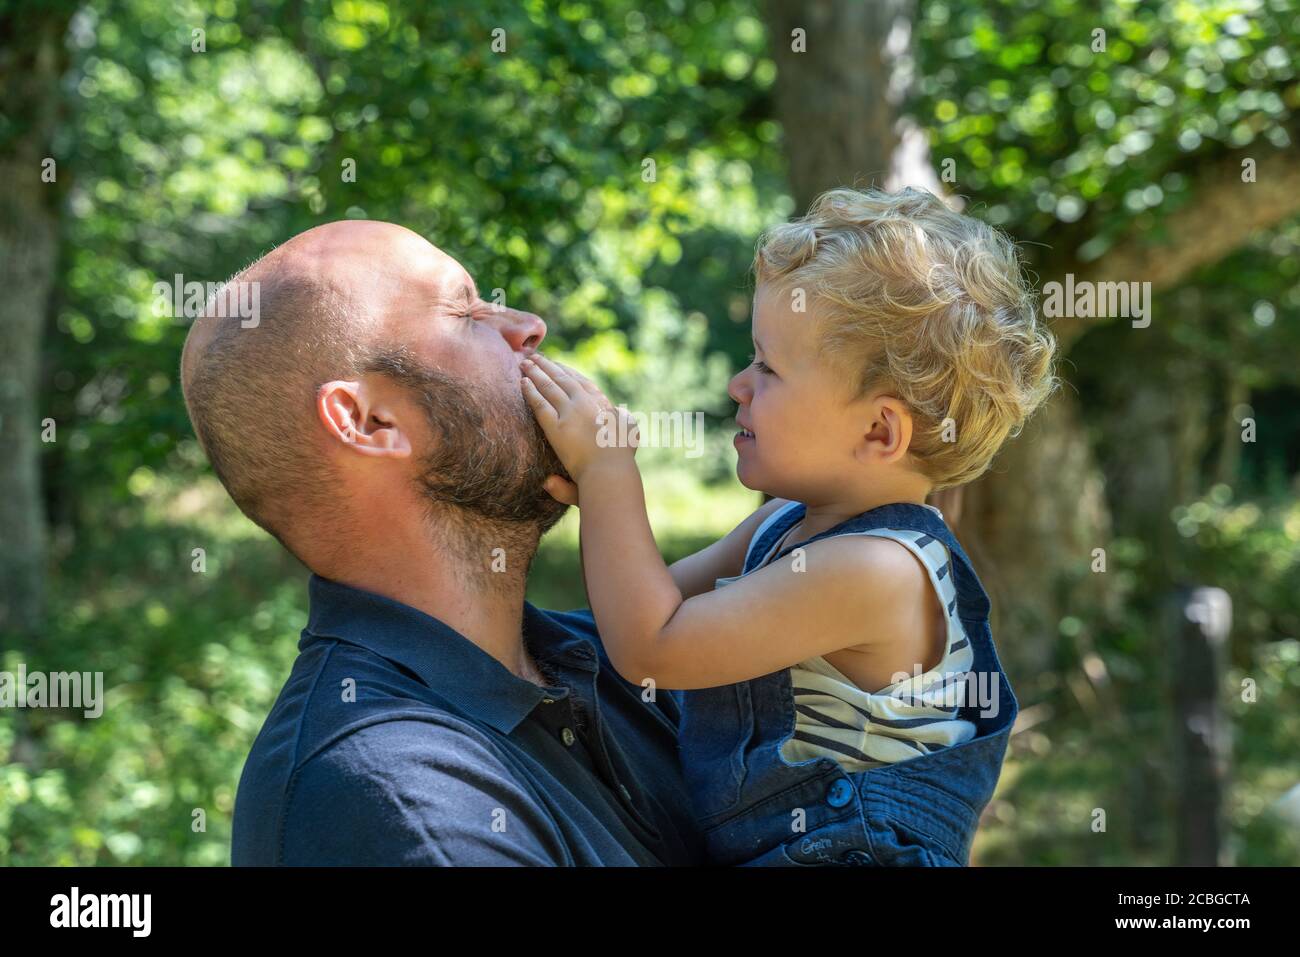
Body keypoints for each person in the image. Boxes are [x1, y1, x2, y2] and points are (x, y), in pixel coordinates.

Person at [520, 186, 1058, 865]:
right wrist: (590, 501)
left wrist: (609, 477)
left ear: (879, 428)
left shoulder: (879, 570)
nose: (738, 385)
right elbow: (635, 609)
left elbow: (654, 648)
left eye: (768, 367)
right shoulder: (783, 524)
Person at [180, 220, 706, 865]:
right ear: (369, 422)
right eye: (465, 309)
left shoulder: (620, 658)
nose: (528, 325)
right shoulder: (394, 793)